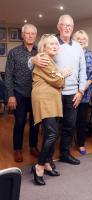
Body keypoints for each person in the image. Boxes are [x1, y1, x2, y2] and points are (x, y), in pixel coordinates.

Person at [30, 15, 87, 165]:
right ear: (58, 26)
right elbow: (36, 61)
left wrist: (81, 91)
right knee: (50, 131)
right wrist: (32, 59)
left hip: (72, 94)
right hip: (53, 93)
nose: (67, 28)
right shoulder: (52, 43)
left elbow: (83, 71)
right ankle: (47, 160)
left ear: (73, 27)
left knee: (69, 126)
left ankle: (65, 154)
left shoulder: (78, 47)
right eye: (64, 25)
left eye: (70, 25)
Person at [31, 34, 71, 185]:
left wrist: (60, 76)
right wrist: (63, 74)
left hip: (50, 100)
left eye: (56, 44)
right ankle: (39, 166)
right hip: (45, 100)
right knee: (52, 134)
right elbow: (58, 81)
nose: (55, 46)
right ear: (44, 47)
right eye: (51, 44)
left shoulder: (50, 60)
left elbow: (57, 80)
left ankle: (47, 163)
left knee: (50, 133)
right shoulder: (44, 59)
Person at [5, 24, 39, 162]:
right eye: (28, 33)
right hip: (19, 93)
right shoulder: (14, 52)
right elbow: (8, 75)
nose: (30, 36)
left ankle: (33, 146)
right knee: (19, 122)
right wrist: (10, 95)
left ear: (35, 35)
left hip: (36, 93)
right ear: (23, 35)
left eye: (33, 33)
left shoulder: (40, 52)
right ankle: (17, 149)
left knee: (35, 122)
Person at [72, 30, 92, 155]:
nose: (81, 40)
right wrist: (76, 89)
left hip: (85, 94)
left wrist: (82, 89)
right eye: (78, 38)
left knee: (82, 120)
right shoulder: (70, 53)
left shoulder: (91, 54)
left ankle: (81, 144)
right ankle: (66, 145)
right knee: (70, 120)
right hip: (70, 92)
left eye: (84, 38)